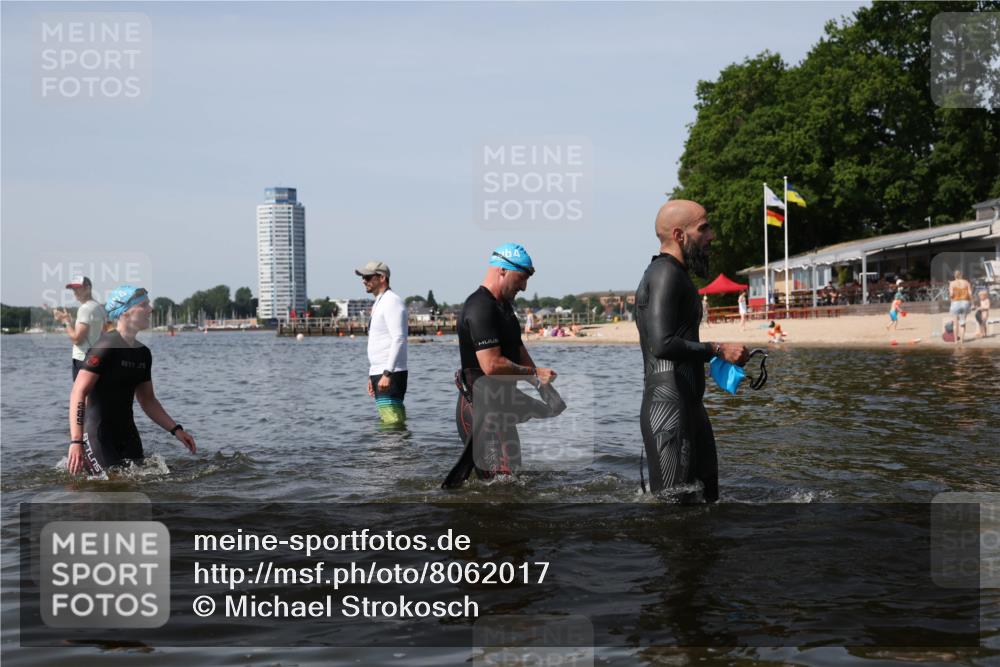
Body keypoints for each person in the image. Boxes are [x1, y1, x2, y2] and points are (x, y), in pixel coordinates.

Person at [635, 200, 748, 502]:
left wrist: (715, 352)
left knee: (708, 502)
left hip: (689, 406)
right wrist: (717, 349)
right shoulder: (664, 274)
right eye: (704, 228)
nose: (711, 236)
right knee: (674, 517)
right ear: (679, 234)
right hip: (668, 410)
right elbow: (662, 344)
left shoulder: (677, 274)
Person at [449, 243, 559, 484]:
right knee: (497, 488)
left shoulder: (504, 308)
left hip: (501, 408)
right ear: (502, 270)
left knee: (512, 479)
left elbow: (518, 350)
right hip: (479, 410)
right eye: (521, 278)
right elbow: (491, 364)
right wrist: (534, 372)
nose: (524, 286)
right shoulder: (480, 307)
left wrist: (543, 387)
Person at [66, 285, 196, 475]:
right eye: (144, 305)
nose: (150, 309)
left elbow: (148, 400)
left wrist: (176, 430)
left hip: (127, 434)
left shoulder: (143, 353)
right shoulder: (105, 346)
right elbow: (79, 391)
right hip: (97, 435)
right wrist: (76, 441)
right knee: (111, 488)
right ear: (125, 312)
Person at [356, 260, 408, 425]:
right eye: (363, 277)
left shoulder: (392, 301)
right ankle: (391, 450)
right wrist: (372, 374)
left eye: (368, 276)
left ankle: (392, 450)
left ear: (382, 277)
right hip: (380, 371)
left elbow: (398, 338)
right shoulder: (380, 301)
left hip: (389, 373)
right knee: (389, 419)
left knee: (391, 421)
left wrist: (387, 373)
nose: (364, 280)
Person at [52, 276, 106, 381]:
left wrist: (65, 322)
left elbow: (77, 339)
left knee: (80, 394)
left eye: (78, 288)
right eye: (73, 289)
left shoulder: (84, 308)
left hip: (83, 358)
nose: (75, 292)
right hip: (97, 358)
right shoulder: (99, 307)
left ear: (88, 288)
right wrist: (70, 322)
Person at [948, 270, 973, 344]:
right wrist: (972, 302)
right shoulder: (966, 282)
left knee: (955, 324)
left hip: (955, 302)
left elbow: (951, 294)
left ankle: (956, 341)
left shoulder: (952, 283)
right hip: (965, 302)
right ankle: (962, 340)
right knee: (962, 323)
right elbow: (970, 293)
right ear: (961, 275)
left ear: (954, 276)